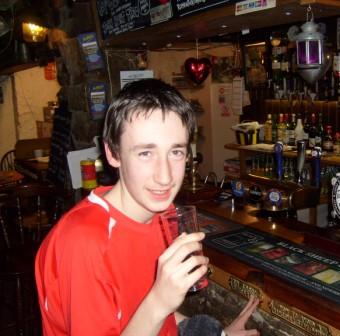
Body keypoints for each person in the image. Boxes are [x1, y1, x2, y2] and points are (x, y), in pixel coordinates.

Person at [35, 79, 259, 336]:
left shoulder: (163, 215)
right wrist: (159, 300)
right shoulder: (82, 242)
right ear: (113, 154)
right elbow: (153, 308)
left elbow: (152, 316)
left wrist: (220, 335)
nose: (164, 177)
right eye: (145, 153)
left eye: (176, 152)